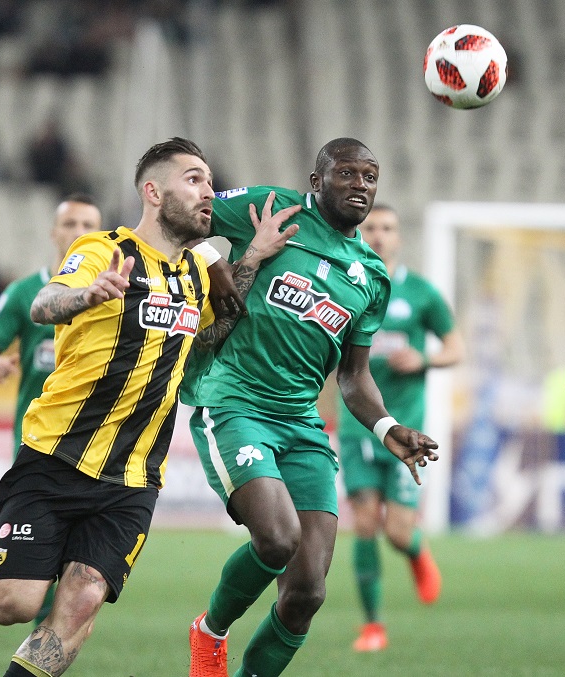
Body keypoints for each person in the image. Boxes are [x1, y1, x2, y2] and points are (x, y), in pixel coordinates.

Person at [0, 137, 293, 677]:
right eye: (193, 180)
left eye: (209, 181)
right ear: (152, 192)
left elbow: (211, 334)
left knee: (81, 601)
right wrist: (86, 296)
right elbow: (43, 305)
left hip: (133, 476)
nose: (208, 192)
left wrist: (250, 259)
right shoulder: (101, 250)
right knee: (12, 604)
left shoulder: (197, 274)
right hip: (57, 455)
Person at [182, 138, 439, 677]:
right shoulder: (271, 207)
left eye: (370, 177)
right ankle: (210, 632)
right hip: (234, 402)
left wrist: (387, 426)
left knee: (307, 592)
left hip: (301, 423)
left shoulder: (371, 276)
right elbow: (186, 214)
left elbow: (353, 375)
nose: (360, 185)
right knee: (277, 538)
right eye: (347, 173)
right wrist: (210, 257)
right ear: (317, 180)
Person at [334, 204, 464, 652]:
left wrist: (424, 359)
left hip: (407, 430)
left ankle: (415, 550)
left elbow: (456, 348)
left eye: (387, 228)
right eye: (370, 227)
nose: (379, 235)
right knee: (365, 523)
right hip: (358, 427)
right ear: (357, 232)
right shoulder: (344, 285)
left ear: (399, 237)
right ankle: (373, 625)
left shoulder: (421, 293)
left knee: (397, 532)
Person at [0, 193, 101, 626]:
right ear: (53, 232)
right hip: (38, 441)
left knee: (78, 568)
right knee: (38, 569)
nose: (79, 233)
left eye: (88, 226)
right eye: (70, 224)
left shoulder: (114, 292)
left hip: (95, 444)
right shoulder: (27, 293)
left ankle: (41, 649)